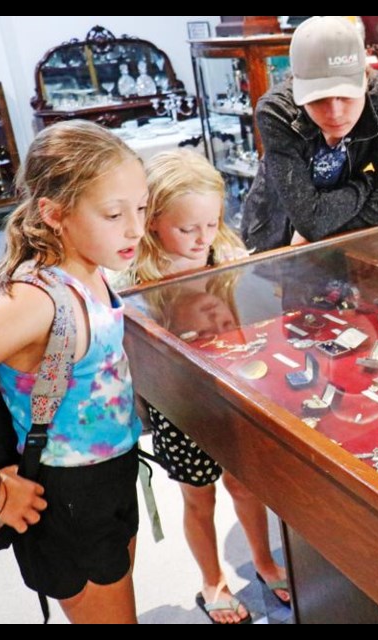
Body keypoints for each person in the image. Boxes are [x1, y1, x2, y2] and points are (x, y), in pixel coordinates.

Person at [0, 120, 147, 623]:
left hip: (112, 476)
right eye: (113, 213)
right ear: (54, 214)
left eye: (141, 208)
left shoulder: (91, 266)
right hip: (67, 495)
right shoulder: (34, 301)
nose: (135, 228)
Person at [130, 149, 290, 623]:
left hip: (231, 392)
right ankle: (212, 579)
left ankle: (263, 561)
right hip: (179, 405)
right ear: (154, 221)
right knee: (197, 496)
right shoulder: (139, 278)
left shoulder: (228, 256)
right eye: (187, 229)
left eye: (211, 224)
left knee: (246, 485)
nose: (202, 239)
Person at [240, 15, 378, 253]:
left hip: (345, 241)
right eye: (318, 99)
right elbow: (310, 221)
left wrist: (320, 226)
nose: (335, 113)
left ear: (365, 77)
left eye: (347, 95)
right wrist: (367, 182)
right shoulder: (276, 111)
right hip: (275, 240)